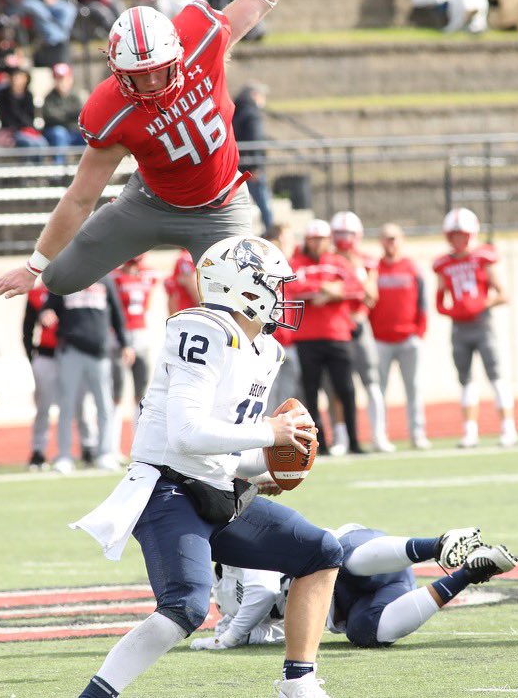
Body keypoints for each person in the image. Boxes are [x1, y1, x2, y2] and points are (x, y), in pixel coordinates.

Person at [69, 235, 341, 698]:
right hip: (168, 490)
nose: (282, 295)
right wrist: (271, 433)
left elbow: (229, 438)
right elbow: (186, 433)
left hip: (220, 490)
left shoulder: (266, 349)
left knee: (320, 552)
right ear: (246, 289)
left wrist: (265, 468)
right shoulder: (204, 328)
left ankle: (299, 683)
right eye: (274, 285)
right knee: (186, 606)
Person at [0, 0, 310, 304]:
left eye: (159, 69)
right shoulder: (110, 110)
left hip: (220, 206)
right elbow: (80, 197)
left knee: (244, 305)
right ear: (118, 72)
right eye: (139, 76)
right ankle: (116, 211)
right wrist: (32, 269)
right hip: (149, 204)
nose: (153, 82)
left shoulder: (202, 40)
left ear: (177, 54)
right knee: (58, 277)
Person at [192, 524, 516, 651]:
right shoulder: (225, 605)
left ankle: (438, 545)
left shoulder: (232, 546)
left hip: (361, 556)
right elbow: (269, 631)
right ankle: (470, 574)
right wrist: (237, 634)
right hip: (350, 605)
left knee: (343, 561)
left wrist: (230, 638)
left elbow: (262, 591)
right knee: (365, 633)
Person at [433, 208, 517, 449]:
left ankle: (508, 428)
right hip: (459, 328)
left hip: (482, 324)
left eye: (463, 235)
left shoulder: (483, 258)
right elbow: (439, 301)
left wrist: (480, 304)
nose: (459, 240)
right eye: (454, 235)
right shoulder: (443, 264)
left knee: (496, 376)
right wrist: (455, 311)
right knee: (466, 380)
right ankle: (470, 432)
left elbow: (503, 294)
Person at [289, 219, 365, 456]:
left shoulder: (339, 262)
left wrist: (325, 292)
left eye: (321, 238)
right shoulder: (296, 263)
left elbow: (356, 289)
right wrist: (332, 289)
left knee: (346, 389)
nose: (317, 243)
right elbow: (296, 289)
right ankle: (318, 442)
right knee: (311, 392)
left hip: (338, 335)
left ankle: (353, 440)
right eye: (313, 238)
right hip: (307, 338)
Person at [43, 274, 132, 472]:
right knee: (67, 405)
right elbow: (48, 307)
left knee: (104, 405)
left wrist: (126, 344)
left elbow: (117, 315)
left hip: (99, 352)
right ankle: (64, 455)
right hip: (71, 350)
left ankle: (106, 453)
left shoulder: (106, 280)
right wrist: (47, 313)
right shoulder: (65, 280)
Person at [330, 211, 391, 452]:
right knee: (337, 386)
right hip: (336, 327)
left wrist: (355, 274)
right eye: (341, 234)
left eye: (349, 234)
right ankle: (342, 438)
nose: (345, 239)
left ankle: (379, 435)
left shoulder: (365, 260)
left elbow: (371, 295)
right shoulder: (329, 260)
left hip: (359, 323)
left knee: (372, 382)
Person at [23, 278, 98, 471]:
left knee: (81, 403)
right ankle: (38, 451)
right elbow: (27, 327)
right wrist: (32, 357)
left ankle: (88, 446)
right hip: (48, 354)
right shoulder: (36, 293)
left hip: (73, 353)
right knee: (44, 406)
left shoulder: (76, 287)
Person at [369, 223, 430, 449]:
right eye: (386, 238)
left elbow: (423, 302)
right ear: (380, 241)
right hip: (381, 340)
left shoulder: (412, 268)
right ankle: (380, 436)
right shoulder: (375, 269)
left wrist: (419, 332)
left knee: (414, 388)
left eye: (394, 238)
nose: (390, 242)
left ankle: (417, 433)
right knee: (379, 390)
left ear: (401, 240)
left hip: (408, 339)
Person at [108, 254, 158, 454]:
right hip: (120, 336)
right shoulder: (116, 278)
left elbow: (147, 305)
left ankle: (140, 445)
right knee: (116, 393)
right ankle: (111, 447)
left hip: (141, 334)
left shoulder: (148, 276)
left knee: (142, 393)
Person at [264, 223, 301, 413]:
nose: (292, 244)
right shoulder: (263, 266)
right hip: (269, 342)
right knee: (266, 402)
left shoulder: (291, 266)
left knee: (288, 403)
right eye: (287, 239)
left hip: (289, 342)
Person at [232, 82, 274, 232]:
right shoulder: (252, 113)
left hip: (237, 164)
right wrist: (256, 166)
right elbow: (256, 139)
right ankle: (271, 231)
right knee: (263, 202)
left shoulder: (236, 110)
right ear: (255, 95)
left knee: (239, 202)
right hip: (251, 166)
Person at [0, 68, 50, 150]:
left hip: (26, 129)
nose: (16, 79)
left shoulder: (28, 95)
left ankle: (38, 163)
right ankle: (28, 163)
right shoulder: (3, 95)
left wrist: (27, 128)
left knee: (42, 143)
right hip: (11, 131)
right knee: (29, 143)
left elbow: (31, 116)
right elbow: (6, 117)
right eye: (15, 76)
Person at [42, 62, 87, 159]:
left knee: (88, 136)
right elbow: (51, 118)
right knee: (60, 133)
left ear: (70, 79)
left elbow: (81, 116)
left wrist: (64, 116)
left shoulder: (75, 97)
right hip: (55, 133)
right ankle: (59, 171)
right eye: (59, 79)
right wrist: (70, 115)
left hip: (73, 132)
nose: (62, 82)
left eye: (65, 78)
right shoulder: (49, 98)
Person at [164, 248, 198, 315]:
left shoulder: (185, 257)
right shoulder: (186, 258)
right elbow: (190, 282)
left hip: (183, 314)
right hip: (190, 313)